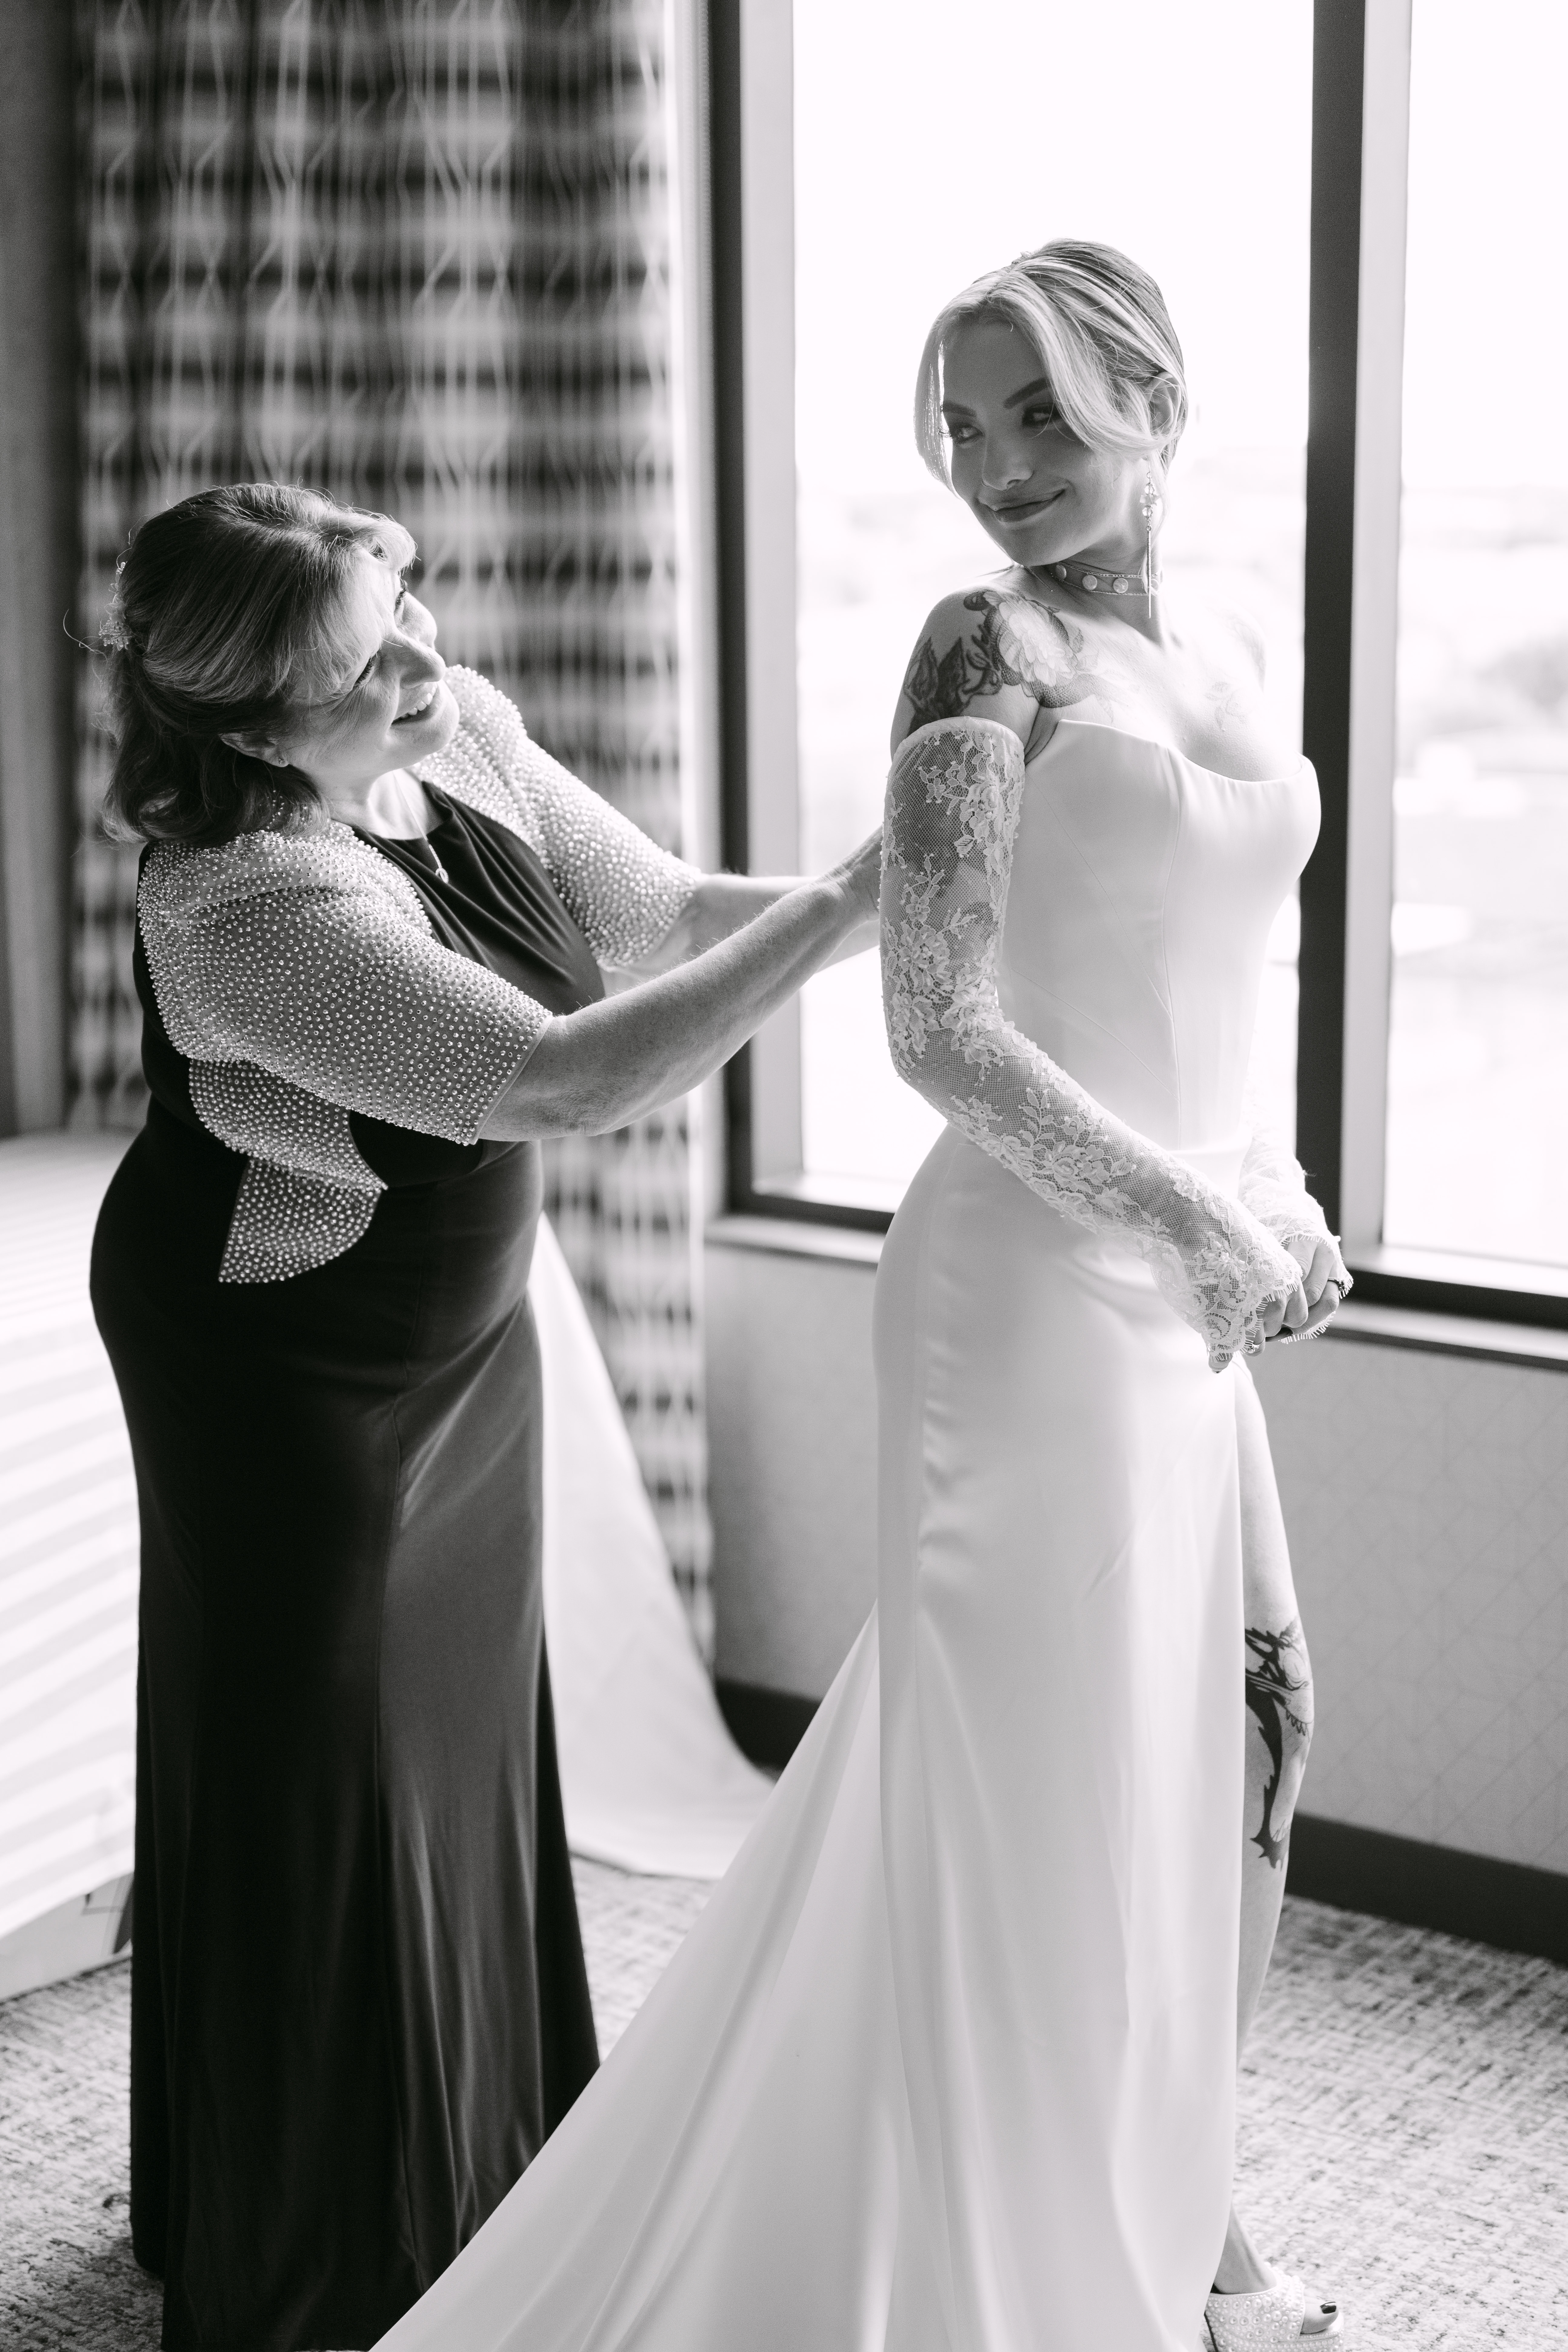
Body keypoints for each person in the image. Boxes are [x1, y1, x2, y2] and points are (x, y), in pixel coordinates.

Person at [371, 244, 1349, 2352]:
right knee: (1045, 1794)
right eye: (964, 428)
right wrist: (1193, 1217)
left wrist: (1262, 1191)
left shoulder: (1244, 638)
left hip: (1177, 1265)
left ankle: (1175, 2188)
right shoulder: (976, 651)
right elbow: (938, 1026)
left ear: (1159, 406)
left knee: (1248, 1723)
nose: (998, 467)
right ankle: (1065, 2259)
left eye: (1042, 416)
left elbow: (1201, 980)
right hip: (1028, 1290)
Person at [89, 482, 880, 2352]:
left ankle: (475, 2166)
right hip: (278, 1362)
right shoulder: (242, 904)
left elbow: (662, 913)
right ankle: (310, 2242)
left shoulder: (453, 731)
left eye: (410, 607)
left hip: (454, 1335)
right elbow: (565, 1075)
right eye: (367, 661)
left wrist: (904, 912)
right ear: (250, 728)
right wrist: (858, 895)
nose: (424, 663)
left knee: (450, 1731)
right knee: (319, 1753)